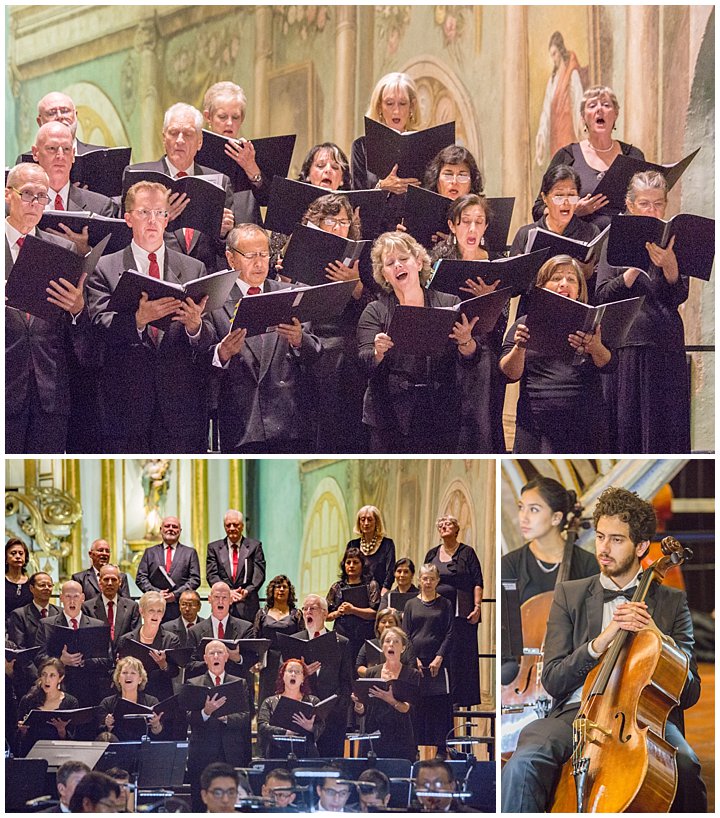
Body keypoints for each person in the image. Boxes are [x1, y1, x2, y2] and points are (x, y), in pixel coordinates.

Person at [501, 486, 705, 813]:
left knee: (686, 766)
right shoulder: (569, 595)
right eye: (599, 537)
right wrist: (601, 641)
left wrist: (657, 639)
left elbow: (691, 692)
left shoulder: (671, 602)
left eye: (617, 540)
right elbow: (553, 679)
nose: (604, 549)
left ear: (640, 546)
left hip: (642, 719)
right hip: (575, 713)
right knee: (522, 763)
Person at [85, 180, 214, 453]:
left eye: (159, 213)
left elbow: (211, 335)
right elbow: (96, 325)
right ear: (128, 218)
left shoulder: (194, 268)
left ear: (168, 219)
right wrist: (137, 321)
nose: (153, 220)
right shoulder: (105, 268)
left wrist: (195, 327)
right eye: (144, 212)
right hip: (126, 407)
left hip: (179, 409)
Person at [357, 231, 481, 453]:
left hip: (439, 410)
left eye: (403, 259)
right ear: (384, 274)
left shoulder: (448, 303)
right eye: (390, 263)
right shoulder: (375, 310)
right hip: (389, 413)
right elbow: (364, 361)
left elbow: (472, 359)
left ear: (419, 262)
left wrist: (466, 342)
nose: (397, 266)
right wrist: (377, 351)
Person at [595, 170, 690, 454]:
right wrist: (632, 270)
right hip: (625, 344)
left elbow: (678, 295)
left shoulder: (673, 237)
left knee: (666, 428)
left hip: (665, 344)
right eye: (645, 203)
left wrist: (670, 265)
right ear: (630, 204)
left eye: (658, 203)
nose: (652, 210)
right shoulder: (615, 235)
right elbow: (601, 295)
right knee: (625, 428)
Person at [206, 222, 322, 453]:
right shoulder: (214, 299)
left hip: (290, 421)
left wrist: (299, 339)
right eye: (250, 256)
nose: (259, 263)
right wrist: (223, 353)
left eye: (264, 254)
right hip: (241, 422)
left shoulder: (289, 294)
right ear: (231, 259)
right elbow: (200, 360)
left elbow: (314, 352)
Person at [5, 162, 85, 454]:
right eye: (27, 194)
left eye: (42, 196)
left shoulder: (61, 250)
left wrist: (78, 309)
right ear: (7, 195)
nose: (35, 203)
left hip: (49, 393)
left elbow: (75, 332)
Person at [499, 255, 614, 453]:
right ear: (542, 287)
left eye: (571, 279)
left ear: (579, 291)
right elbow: (509, 374)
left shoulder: (594, 326)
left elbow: (611, 365)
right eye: (556, 278)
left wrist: (596, 348)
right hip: (536, 425)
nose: (564, 283)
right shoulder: (525, 323)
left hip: (584, 424)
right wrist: (519, 348)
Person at [296, 193, 373, 453]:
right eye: (332, 221)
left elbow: (372, 310)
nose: (340, 227)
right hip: (311, 341)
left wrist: (356, 285)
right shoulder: (303, 250)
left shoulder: (361, 261)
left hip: (347, 347)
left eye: (344, 222)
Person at [431, 193, 505, 453]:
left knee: (481, 426)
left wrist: (490, 299)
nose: (472, 229)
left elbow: (501, 321)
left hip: (483, 354)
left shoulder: (495, 261)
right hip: (445, 354)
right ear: (452, 225)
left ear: (486, 226)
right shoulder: (438, 260)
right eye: (465, 222)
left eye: (479, 222)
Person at [125, 102, 235, 272]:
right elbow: (124, 232)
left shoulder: (220, 181)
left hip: (204, 277)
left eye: (188, 134)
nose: (180, 140)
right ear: (164, 138)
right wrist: (160, 215)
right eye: (173, 133)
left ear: (199, 142)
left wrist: (223, 232)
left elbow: (227, 249)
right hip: (155, 273)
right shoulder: (139, 176)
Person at [532, 85, 645, 229]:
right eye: (592, 106)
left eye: (606, 105)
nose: (599, 109)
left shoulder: (634, 155)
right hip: (579, 241)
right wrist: (573, 211)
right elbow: (538, 209)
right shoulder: (567, 156)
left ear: (616, 114)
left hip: (625, 239)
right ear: (583, 117)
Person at [501, 477, 599, 607]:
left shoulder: (588, 564)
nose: (523, 518)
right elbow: (507, 623)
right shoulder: (510, 565)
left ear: (556, 518)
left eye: (534, 509)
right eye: (521, 507)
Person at [511, 164, 599, 295]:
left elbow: (598, 287)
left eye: (571, 195)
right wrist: (522, 271)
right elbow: (512, 290)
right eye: (559, 196)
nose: (566, 202)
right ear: (545, 198)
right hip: (532, 308)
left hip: (574, 309)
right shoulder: (526, 233)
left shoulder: (590, 232)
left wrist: (587, 274)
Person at [32, 121, 117, 254]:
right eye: (52, 149)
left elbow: (111, 263)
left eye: (66, 149)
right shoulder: (19, 204)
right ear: (35, 153)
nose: (60, 156)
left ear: (73, 155)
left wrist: (86, 250)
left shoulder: (100, 206)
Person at [424, 517, 483, 707]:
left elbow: (477, 582)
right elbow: (424, 579)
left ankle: (459, 699)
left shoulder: (467, 552)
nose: (443, 527)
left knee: (460, 656)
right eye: (440, 525)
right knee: (439, 652)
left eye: (448, 524)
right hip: (436, 613)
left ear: (457, 529)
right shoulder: (432, 553)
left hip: (462, 614)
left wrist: (477, 607)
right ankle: (439, 698)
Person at [185, 640, 251, 812]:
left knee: (232, 802)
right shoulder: (194, 683)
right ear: (205, 658)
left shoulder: (239, 683)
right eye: (212, 653)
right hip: (202, 753)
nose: (216, 656)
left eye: (220, 653)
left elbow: (245, 716)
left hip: (231, 752)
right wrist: (206, 712)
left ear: (227, 657)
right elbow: (188, 717)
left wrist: (227, 718)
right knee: (200, 804)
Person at [402, 564, 454, 756]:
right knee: (415, 706)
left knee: (439, 707)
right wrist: (412, 658)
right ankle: (413, 748)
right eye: (425, 578)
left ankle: (441, 749)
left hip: (438, 663)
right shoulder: (410, 605)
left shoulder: (446, 604)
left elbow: (450, 633)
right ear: (419, 580)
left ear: (437, 581)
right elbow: (405, 634)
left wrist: (439, 657)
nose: (428, 582)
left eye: (432, 578)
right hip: (415, 663)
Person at [35, 580, 113, 710]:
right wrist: (60, 661)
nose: (72, 601)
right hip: (58, 691)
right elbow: (38, 657)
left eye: (76, 596)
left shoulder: (97, 625)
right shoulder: (46, 625)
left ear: (82, 598)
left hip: (89, 691)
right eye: (67, 596)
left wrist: (83, 662)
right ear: (61, 598)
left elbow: (107, 660)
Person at [202, 81, 269, 224]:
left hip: (248, 234)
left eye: (235, 117)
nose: (229, 123)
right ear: (208, 117)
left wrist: (251, 167)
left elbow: (267, 200)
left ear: (242, 119)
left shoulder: (250, 152)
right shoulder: (196, 152)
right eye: (222, 117)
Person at [296, 594, 353, 757]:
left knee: (331, 764)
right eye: (305, 609)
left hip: (333, 717)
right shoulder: (295, 641)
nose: (308, 613)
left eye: (312, 609)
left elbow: (346, 681)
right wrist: (303, 673)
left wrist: (339, 707)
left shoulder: (341, 642)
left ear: (324, 613)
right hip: (302, 715)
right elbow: (284, 679)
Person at [352, 626, 421, 761]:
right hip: (374, 733)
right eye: (387, 641)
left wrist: (390, 700)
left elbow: (408, 708)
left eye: (396, 642)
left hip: (401, 735)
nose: (391, 645)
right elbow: (362, 711)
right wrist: (358, 703)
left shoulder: (412, 674)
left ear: (403, 648)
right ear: (382, 647)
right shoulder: (371, 672)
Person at [351, 72, 421, 195]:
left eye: (402, 103)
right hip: (376, 214)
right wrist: (382, 186)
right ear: (379, 107)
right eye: (389, 103)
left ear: (412, 107)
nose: (396, 110)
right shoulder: (362, 147)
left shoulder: (424, 144)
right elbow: (356, 198)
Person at [116, 591, 181, 711]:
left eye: (159, 611)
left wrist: (164, 665)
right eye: (151, 610)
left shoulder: (171, 639)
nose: (155, 615)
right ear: (142, 612)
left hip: (161, 695)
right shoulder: (126, 640)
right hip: (132, 696)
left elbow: (175, 672)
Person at [135, 516, 201, 621]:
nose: (170, 529)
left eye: (174, 527)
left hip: (180, 609)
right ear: (161, 529)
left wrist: (175, 595)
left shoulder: (190, 553)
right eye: (167, 526)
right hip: (155, 608)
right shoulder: (150, 552)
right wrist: (157, 594)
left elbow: (195, 579)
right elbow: (141, 578)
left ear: (180, 531)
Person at [186, 581, 254, 683]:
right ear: (209, 599)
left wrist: (237, 658)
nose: (220, 601)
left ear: (231, 600)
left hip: (236, 687)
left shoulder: (246, 628)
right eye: (217, 597)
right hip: (205, 687)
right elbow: (189, 665)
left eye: (225, 598)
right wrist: (212, 660)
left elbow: (252, 660)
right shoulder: (194, 631)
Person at [206, 509, 266, 622]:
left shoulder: (255, 546)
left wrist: (246, 591)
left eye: (236, 524)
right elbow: (212, 575)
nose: (232, 528)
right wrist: (228, 592)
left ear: (242, 526)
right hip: (222, 603)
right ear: (224, 527)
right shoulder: (213, 548)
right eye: (228, 525)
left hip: (247, 604)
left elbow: (259, 574)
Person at [257, 658, 325, 758]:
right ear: (283, 676)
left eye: (298, 672)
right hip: (277, 752)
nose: (293, 674)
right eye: (290, 671)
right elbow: (262, 726)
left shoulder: (313, 701)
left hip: (306, 753)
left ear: (303, 678)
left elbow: (321, 726)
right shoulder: (270, 701)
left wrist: (310, 728)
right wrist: (285, 732)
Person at [252, 574, 304, 705]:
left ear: (290, 591)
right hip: (268, 660)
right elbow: (256, 637)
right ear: (272, 590)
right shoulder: (262, 613)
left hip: (290, 660)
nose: (281, 589)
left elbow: (302, 638)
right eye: (278, 586)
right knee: (266, 693)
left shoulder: (296, 614)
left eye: (284, 587)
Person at [535, 31, 584, 166]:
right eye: (551, 55)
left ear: (561, 50)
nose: (554, 58)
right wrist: (541, 137)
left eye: (555, 54)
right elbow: (546, 111)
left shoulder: (572, 73)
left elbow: (579, 101)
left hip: (568, 132)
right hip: (555, 135)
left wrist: (581, 127)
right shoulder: (553, 79)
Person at [327, 546, 381, 664]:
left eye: (355, 562)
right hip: (342, 634)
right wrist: (338, 612)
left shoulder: (371, 585)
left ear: (362, 565)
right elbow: (326, 616)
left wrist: (353, 610)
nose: (351, 565)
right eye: (348, 562)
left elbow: (375, 614)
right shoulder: (337, 587)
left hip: (365, 634)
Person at [16, 658, 80, 756]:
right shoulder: (28, 700)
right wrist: (22, 730)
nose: (47, 680)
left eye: (52, 676)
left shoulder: (70, 703)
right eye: (44, 674)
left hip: (58, 755)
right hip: (31, 754)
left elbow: (72, 740)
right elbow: (17, 737)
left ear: (60, 678)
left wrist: (61, 730)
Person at [97, 656, 164, 741]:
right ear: (118, 678)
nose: (128, 676)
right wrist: (108, 726)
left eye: (133, 673)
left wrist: (156, 725)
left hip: (144, 749)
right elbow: (100, 736)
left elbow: (160, 735)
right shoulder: (107, 703)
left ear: (140, 679)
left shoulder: (152, 702)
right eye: (124, 673)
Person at [82, 564, 140, 650]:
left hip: (124, 659)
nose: (110, 583)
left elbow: (135, 636)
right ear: (100, 582)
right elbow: (87, 638)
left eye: (113, 579)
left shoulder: (132, 607)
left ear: (120, 582)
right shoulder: (87, 608)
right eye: (106, 579)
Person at [345, 505, 397, 595]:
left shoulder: (387, 544)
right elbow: (347, 570)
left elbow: (390, 571)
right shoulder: (353, 544)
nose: (366, 523)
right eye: (362, 519)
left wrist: (383, 593)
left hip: (380, 593)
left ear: (376, 522)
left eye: (369, 519)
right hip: (357, 592)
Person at [33, 91, 105, 154]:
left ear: (75, 116)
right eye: (52, 113)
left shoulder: (102, 157)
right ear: (40, 122)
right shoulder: (26, 164)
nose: (60, 116)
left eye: (65, 111)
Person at [355, 607, 416, 677]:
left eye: (390, 622)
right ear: (377, 626)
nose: (387, 625)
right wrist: (375, 674)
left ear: (397, 625)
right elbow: (359, 666)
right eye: (383, 622)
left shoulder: (406, 644)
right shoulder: (369, 644)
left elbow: (412, 668)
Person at [6, 537, 32, 620]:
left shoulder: (32, 583)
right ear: (5, 558)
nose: (17, 556)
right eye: (13, 553)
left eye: (21, 553)